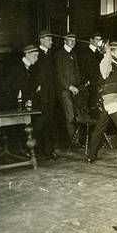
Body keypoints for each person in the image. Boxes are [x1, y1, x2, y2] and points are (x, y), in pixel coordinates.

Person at [87, 42, 117, 169]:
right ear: (113, 52)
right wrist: (107, 51)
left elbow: (111, 83)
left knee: (100, 127)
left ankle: (91, 155)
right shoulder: (106, 63)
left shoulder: (115, 64)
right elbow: (105, 72)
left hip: (112, 100)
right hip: (111, 102)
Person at [32, 30, 60, 160]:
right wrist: (37, 86)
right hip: (41, 94)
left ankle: (48, 151)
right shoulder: (36, 54)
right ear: (41, 40)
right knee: (40, 122)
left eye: (51, 39)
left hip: (51, 93)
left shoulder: (50, 55)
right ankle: (38, 151)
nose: (51, 42)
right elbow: (33, 73)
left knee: (50, 121)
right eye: (49, 39)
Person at [55, 33, 88, 140]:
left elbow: (77, 73)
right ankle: (74, 140)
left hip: (76, 89)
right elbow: (60, 75)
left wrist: (80, 85)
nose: (73, 42)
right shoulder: (59, 54)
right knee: (70, 114)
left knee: (81, 112)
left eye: (74, 40)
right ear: (64, 41)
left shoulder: (73, 54)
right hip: (65, 90)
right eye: (70, 40)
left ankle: (81, 138)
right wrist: (70, 87)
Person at [78, 32, 104, 117]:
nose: (98, 42)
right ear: (91, 40)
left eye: (100, 40)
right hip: (89, 84)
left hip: (97, 82)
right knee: (91, 106)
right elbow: (80, 68)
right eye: (96, 39)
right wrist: (85, 81)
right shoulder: (84, 53)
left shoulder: (99, 53)